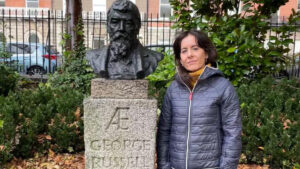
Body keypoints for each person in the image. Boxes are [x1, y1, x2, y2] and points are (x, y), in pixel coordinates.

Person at [156, 30, 242, 169]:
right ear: (180, 58)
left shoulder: (223, 87)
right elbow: (164, 132)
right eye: (184, 51)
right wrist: (164, 166)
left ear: (206, 53)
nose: (189, 55)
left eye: (195, 48)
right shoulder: (173, 89)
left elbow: (232, 134)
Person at [86, 0, 163, 80]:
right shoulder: (92, 57)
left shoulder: (153, 58)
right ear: (108, 26)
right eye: (115, 22)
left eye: (128, 23)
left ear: (137, 27)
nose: (121, 28)